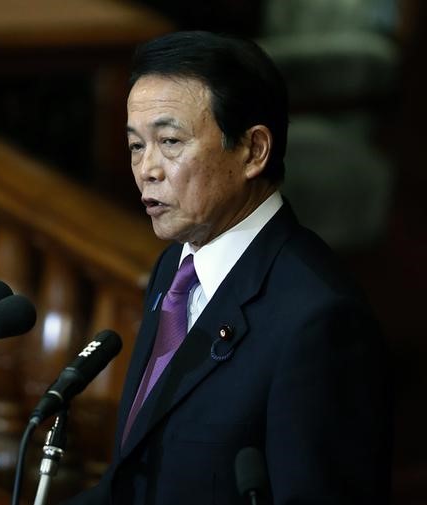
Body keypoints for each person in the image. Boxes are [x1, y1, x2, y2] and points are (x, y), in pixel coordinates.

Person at [63, 31, 392, 504]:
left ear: (253, 150)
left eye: (170, 141)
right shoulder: (175, 268)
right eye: (137, 145)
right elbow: (134, 483)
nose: (147, 169)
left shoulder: (320, 321)